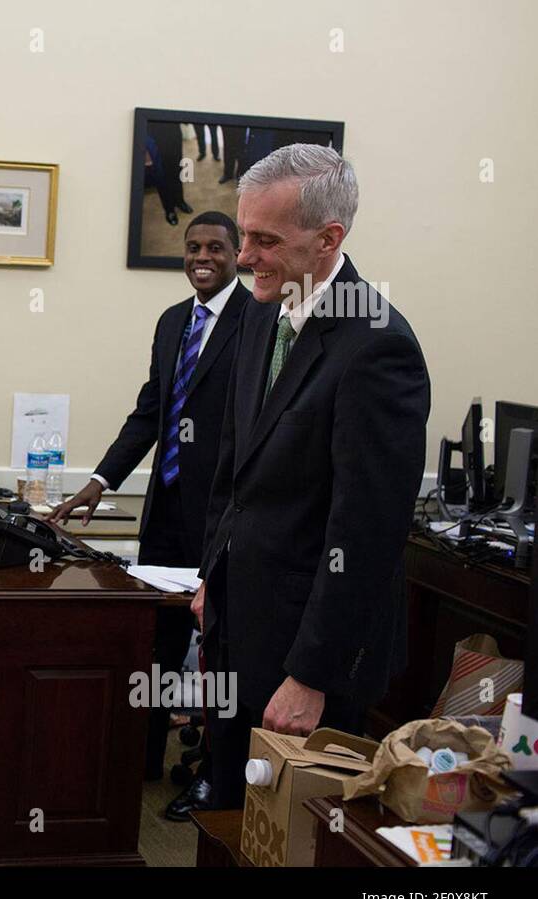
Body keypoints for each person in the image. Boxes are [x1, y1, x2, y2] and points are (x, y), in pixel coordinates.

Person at [192, 144, 430, 810]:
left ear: (330, 238)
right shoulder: (262, 311)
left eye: (266, 241)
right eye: (245, 235)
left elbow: (369, 531)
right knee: (230, 812)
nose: (243, 257)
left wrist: (311, 675)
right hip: (240, 619)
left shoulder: (379, 345)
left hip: (311, 650)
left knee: (294, 833)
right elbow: (231, 469)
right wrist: (216, 576)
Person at [50, 211, 250, 820]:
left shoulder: (258, 321)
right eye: (193, 247)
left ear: (237, 254)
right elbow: (149, 414)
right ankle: (141, 757)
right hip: (164, 511)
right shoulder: (172, 322)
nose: (203, 257)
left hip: (222, 518)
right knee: (158, 639)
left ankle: (218, 778)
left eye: (216, 247)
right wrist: (99, 480)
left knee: (219, 645)